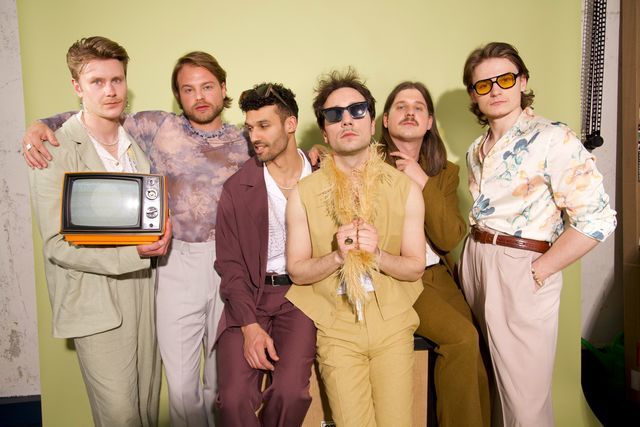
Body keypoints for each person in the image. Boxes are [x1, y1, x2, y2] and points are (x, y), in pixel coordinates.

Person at [22, 51, 249, 427]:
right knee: (180, 389)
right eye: (188, 89)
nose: (199, 96)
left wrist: (316, 154)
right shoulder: (156, 126)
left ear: (223, 88)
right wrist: (38, 124)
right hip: (174, 259)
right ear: (178, 95)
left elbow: (282, 150)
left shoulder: (245, 138)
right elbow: (92, 116)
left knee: (219, 381)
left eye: (208, 86)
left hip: (227, 261)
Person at [459, 42, 617, 427]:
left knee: (524, 400)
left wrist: (539, 269)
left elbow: (598, 218)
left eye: (505, 79)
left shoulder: (553, 138)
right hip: (475, 259)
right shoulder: (476, 149)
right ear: (473, 95)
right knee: (490, 386)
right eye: (483, 85)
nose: (495, 90)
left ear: (522, 81)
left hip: (521, 264)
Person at [27, 36, 171, 426]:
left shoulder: (136, 145)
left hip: (145, 293)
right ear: (77, 86)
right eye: (97, 82)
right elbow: (57, 245)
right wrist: (133, 253)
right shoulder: (53, 149)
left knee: (147, 410)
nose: (110, 91)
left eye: (117, 80)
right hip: (96, 301)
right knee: (120, 417)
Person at [286, 69, 426, 427]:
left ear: (372, 121)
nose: (346, 120)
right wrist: (337, 256)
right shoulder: (302, 194)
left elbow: (415, 266)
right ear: (324, 130)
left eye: (357, 110)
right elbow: (297, 270)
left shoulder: (406, 189)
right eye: (334, 114)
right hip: (337, 329)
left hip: (392, 324)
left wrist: (377, 255)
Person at [380, 81, 490, 427]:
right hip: (397, 276)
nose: (410, 112)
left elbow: (447, 237)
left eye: (419, 107)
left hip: (437, 274)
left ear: (429, 122)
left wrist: (422, 181)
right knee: (462, 339)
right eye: (401, 106)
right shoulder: (369, 163)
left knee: (480, 348)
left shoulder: (444, 173)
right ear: (385, 120)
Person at [214, 83, 316, 426]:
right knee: (233, 399)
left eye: (264, 126)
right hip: (250, 298)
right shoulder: (236, 188)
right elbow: (230, 266)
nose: (254, 136)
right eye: (250, 127)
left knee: (291, 393)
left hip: (302, 297)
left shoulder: (323, 176)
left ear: (290, 124)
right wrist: (249, 325)